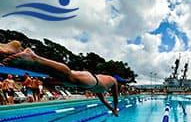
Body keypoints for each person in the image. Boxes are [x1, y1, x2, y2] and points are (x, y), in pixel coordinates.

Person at [4, 48, 132, 116]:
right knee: (68, 75)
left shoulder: (103, 87)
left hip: (89, 80)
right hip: (91, 80)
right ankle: (33, 56)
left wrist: (112, 109)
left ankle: (17, 52)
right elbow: (115, 97)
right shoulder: (113, 81)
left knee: (56, 75)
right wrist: (115, 108)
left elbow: (103, 100)